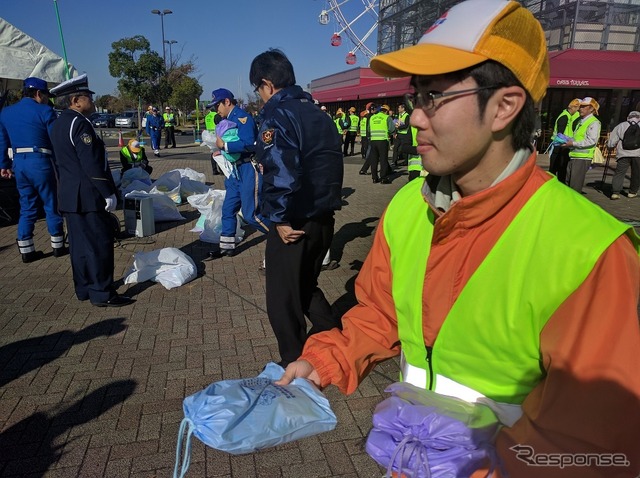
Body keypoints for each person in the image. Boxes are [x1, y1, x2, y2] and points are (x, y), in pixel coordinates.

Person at [276, 1, 640, 476]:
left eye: (435, 97)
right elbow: (380, 313)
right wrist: (325, 360)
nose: (414, 118)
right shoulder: (408, 208)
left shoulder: (591, 251)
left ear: (505, 106)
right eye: (416, 96)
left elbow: (595, 441)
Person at [250, 49, 344, 367]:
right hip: (323, 217)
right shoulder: (319, 114)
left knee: (281, 296)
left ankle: (294, 359)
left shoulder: (278, 115)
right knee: (305, 285)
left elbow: (281, 170)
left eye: (258, 90)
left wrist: (277, 218)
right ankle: (332, 329)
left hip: (293, 220)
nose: (260, 97)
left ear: (267, 84)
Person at [49, 74, 134, 308]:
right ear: (76, 100)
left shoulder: (59, 123)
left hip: (70, 195)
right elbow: (91, 163)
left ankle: (84, 288)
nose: (92, 101)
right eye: (88, 97)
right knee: (98, 244)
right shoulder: (79, 124)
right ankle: (102, 292)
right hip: (87, 195)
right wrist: (107, 191)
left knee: (79, 246)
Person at [0, 76, 67, 263]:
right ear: (38, 93)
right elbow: (56, 140)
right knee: (51, 203)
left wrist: (3, 165)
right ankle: (58, 245)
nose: (47, 99)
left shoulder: (6, 112)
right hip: (42, 161)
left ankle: (26, 249)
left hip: (19, 163)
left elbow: (2, 141)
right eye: (46, 95)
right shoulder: (45, 111)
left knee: (27, 206)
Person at [208, 88, 270, 257]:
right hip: (235, 172)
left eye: (217, 106)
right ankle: (227, 246)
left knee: (251, 215)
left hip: (248, 169)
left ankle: (281, 238)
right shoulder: (229, 118)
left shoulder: (243, 118)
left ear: (227, 102)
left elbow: (250, 143)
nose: (216, 110)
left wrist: (225, 146)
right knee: (228, 209)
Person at [563, 96, 602, 193]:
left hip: (582, 157)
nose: (581, 109)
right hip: (574, 156)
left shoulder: (594, 122)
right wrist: (568, 141)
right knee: (568, 184)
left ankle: (573, 206)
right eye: (580, 106)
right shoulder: (581, 121)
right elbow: (579, 137)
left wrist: (572, 143)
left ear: (592, 109)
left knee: (574, 186)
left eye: (584, 107)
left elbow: (591, 141)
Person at [608, 110, 640, 199]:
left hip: (623, 153)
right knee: (636, 173)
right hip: (638, 154)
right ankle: (632, 192)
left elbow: (612, 141)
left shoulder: (621, 125)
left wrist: (610, 146)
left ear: (628, 117)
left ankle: (615, 192)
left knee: (619, 173)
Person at [548, 98, 580, 183]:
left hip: (561, 145)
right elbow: (560, 134)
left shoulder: (567, 115)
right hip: (559, 145)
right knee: (556, 168)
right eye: (578, 109)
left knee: (560, 168)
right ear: (573, 108)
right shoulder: (564, 117)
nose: (578, 112)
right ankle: (555, 186)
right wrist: (568, 141)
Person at [367, 104, 396, 183]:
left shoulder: (372, 118)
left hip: (373, 141)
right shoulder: (387, 117)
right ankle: (383, 178)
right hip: (383, 141)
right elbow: (391, 129)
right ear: (386, 111)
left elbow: (369, 130)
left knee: (374, 160)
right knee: (383, 160)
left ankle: (374, 178)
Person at [391, 102, 411, 167]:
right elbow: (397, 123)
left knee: (403, 149)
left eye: (399, 107)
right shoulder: (398, 115)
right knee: (395, 148)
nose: (398, 109)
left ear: (403, 108)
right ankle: (394, 162)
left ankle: (406, 161)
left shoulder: (407, 115)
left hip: (405, 135)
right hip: (398, 134)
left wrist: (399, 127)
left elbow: (407, 125)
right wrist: (395, 132)